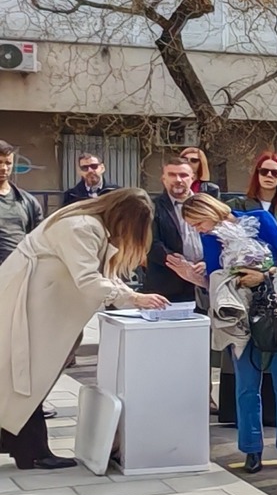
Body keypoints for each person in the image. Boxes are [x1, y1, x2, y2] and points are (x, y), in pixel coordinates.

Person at [0, 190, 165, 469]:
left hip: (38, 306)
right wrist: (134, 298)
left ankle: (21, 445)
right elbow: (88, 278)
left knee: (25, 378)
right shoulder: (82, 228)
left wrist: (130, 296)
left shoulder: (88, 224)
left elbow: (101, 275)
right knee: (28, 378)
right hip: (29, 307)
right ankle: (32, 451)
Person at [184, 191, 277, 474]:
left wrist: (263, 276)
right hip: (239, 316)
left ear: (207, 211)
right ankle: (251, 448)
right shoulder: (211, 239)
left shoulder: (260, 219)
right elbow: (215, 275)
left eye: (197, 223)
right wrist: (202, 278)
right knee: (246, 386)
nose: (198, 230)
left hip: (274, 311)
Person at [143, 156, 207, 304]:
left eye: (183, 175)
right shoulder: (151, 207)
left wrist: (207, 262)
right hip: (167, 289)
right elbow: (150, 243)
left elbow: (220, 238)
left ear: (193, 178)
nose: (178, 180)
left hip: (206, 283)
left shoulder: (208, 205)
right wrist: (176, 262)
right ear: (163, 179)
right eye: (172, 175)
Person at [0, 142, 44, 266]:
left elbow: (39, 239)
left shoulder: (28, 201)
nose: (4, 168)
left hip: (21, 269)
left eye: (8, 163)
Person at [239, 152, 277, 222]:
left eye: (275, 173)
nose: (269, 175)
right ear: (257, 174)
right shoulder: (238, 204)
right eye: (264, 171)